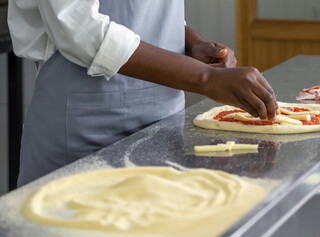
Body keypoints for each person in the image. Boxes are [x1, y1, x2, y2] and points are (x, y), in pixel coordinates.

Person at [8, 0, 278, 186]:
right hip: (83, 130)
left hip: (163, 127)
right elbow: (78, 27)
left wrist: (190, 42)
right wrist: (206, 78)